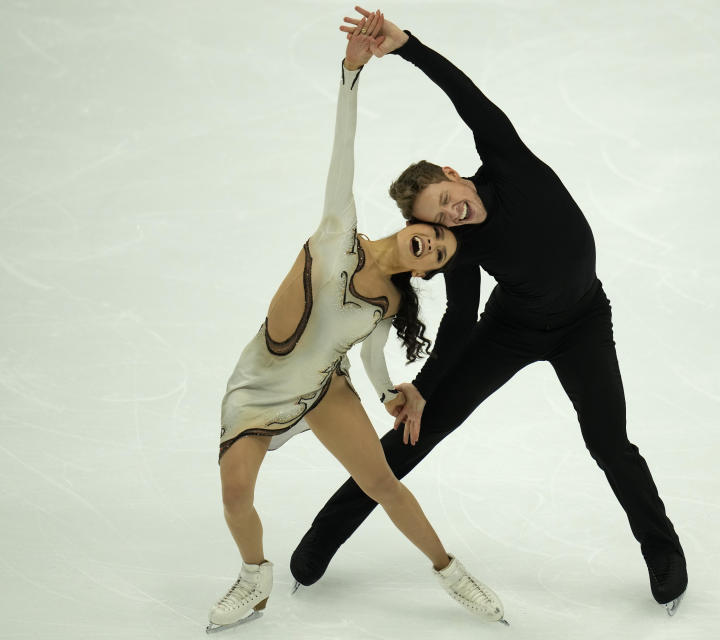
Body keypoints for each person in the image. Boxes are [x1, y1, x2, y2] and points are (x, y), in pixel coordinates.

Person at [290, 6, 688, 616]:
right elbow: (461, 320)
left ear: (457, 175)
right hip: (510, 331)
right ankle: (322, 539)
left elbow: (466, 96)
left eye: (449, 199)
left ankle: (662, 553)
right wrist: (422, 389)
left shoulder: (507, 163)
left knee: (609, 441)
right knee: (416, 433)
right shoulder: (464, 247)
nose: (453, 215)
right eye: (440, 216)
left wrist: (407, 47)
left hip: (584, 322)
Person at [207, 12, 506, 633]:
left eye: (443, 258)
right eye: (434, 238)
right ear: (415, 225)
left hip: (322, 389)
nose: (434, 249)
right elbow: (343, 148)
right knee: (237, 491)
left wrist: (391, 395)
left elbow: (371, 357)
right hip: (256, 381)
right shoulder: (340, 230)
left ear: (428, 274)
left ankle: (450, 570)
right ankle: (253, 578)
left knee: (383, 484)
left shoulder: (388, 305)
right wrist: (351, 72)